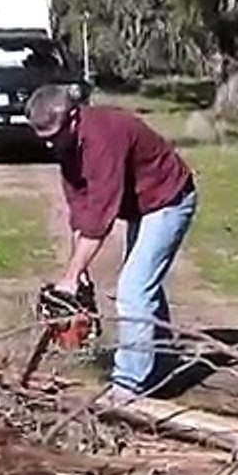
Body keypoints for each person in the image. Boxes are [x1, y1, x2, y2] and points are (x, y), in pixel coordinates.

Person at [24, 84, 198, 402]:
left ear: (74, 117)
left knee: (134, 291)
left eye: (53, 133)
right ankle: (162, 368)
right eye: (42, 136)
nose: (49, 142)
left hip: (169, 200)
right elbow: (81, 209)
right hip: (143, 207)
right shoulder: (67, 145)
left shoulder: (102, 138)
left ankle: (127, 388)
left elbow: (101, 215)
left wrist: (71, 276)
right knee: (144, 287)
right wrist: (80, 268)